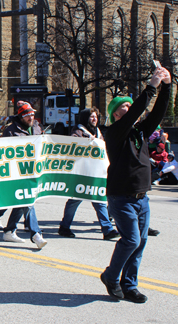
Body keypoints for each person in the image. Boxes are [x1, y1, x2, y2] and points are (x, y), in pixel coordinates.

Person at [100, 66, 171, 304]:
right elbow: (136, 112)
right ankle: (111, 276)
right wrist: (151, 86)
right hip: (121, 197)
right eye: (125, 107)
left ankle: (129, 285)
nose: (130, 109)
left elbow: (158, 113)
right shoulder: (114, 132)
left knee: (140, 243)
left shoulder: (139, 132)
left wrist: (166, 86)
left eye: (131, 105)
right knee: (131, 240)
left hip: (142, 197)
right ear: (116, 115)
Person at [0, 101, 48, 250]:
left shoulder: (36, 127)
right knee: (27, 200)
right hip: (16, 173)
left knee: (20, 201)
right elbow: (2, 151)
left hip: (32, 171)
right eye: (28, 115)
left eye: (33, 115)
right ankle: (36, 234)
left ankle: (9, 230)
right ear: (21, 116)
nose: (31, 118)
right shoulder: (10, 130)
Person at [58, 108, 120, 240]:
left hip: (95, 174)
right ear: (85, 118)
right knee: (74, 201)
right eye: (92, 117)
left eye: (96, 117)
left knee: (99, 200)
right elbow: (72, 145)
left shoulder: (98, 132)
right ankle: (64, 227)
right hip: (81, 174)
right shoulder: (78, 131)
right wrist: (87, 142)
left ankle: (107, 229)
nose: (94, 119)